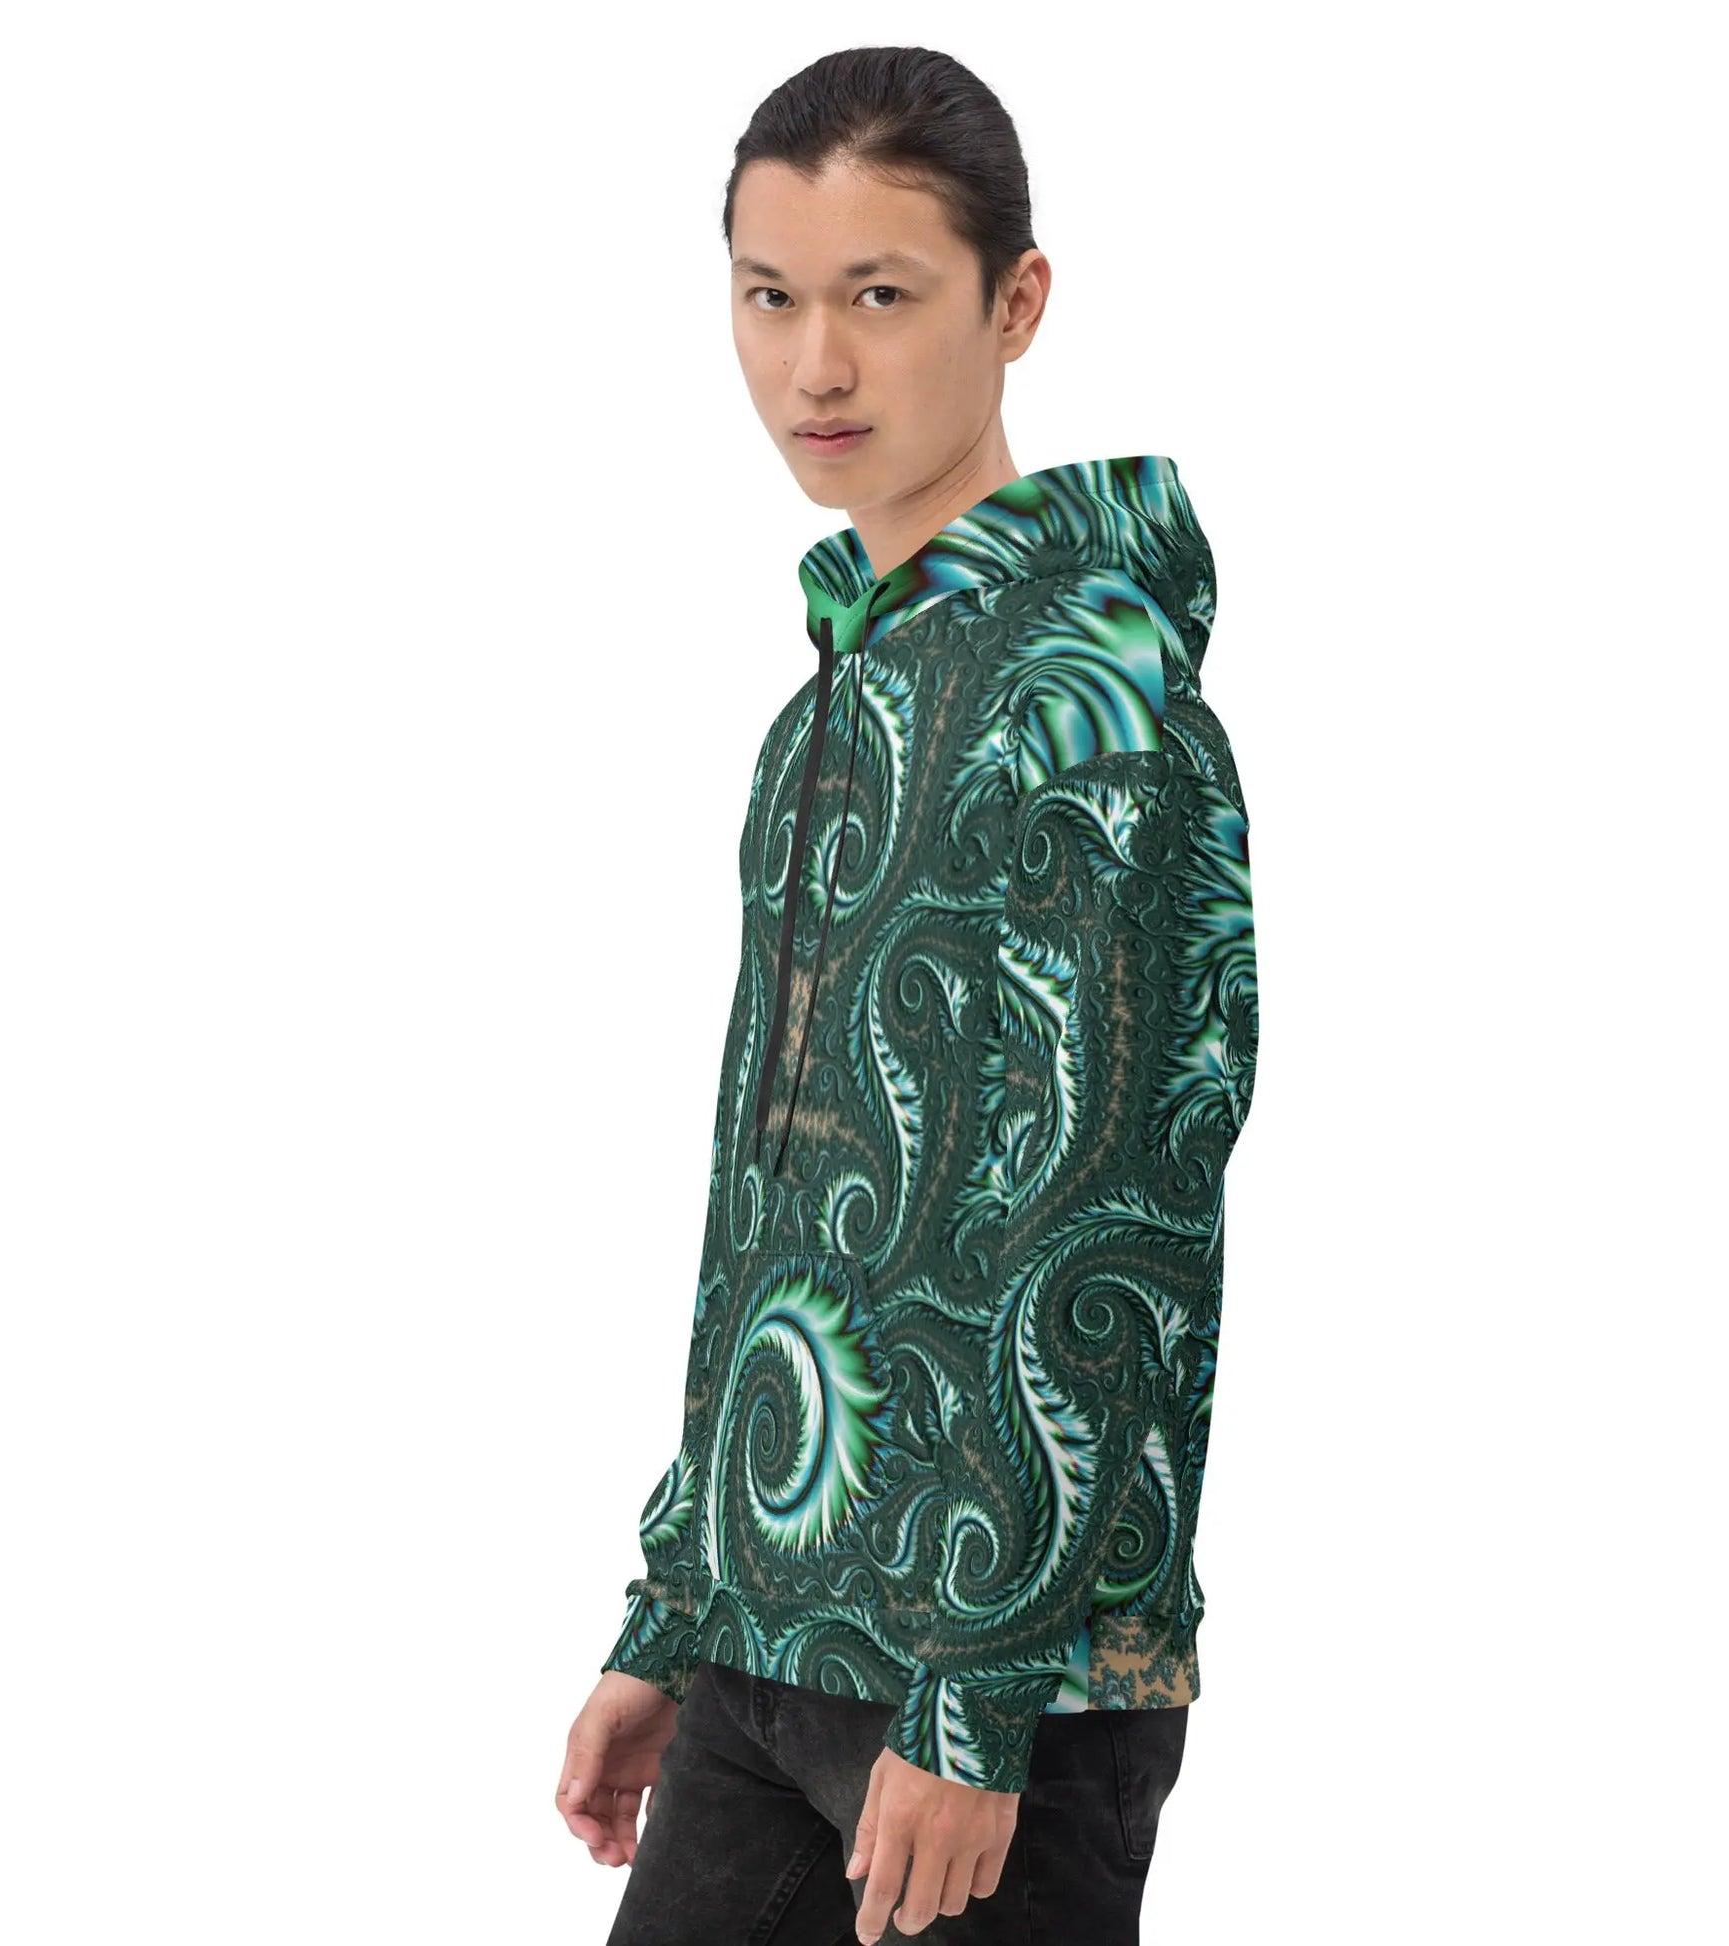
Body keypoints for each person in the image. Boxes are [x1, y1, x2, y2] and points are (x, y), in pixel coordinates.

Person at [556, 45, 1259, 1945]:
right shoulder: (826, 715)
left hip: (990, 1691)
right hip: (768, 1638)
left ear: (1014, 303)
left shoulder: (1093, 698)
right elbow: (774, 1207)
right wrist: (672, 1611)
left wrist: (977, 1687)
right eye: (768, 296)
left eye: (879, 295)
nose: (815, 366)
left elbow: (1116, 1213)